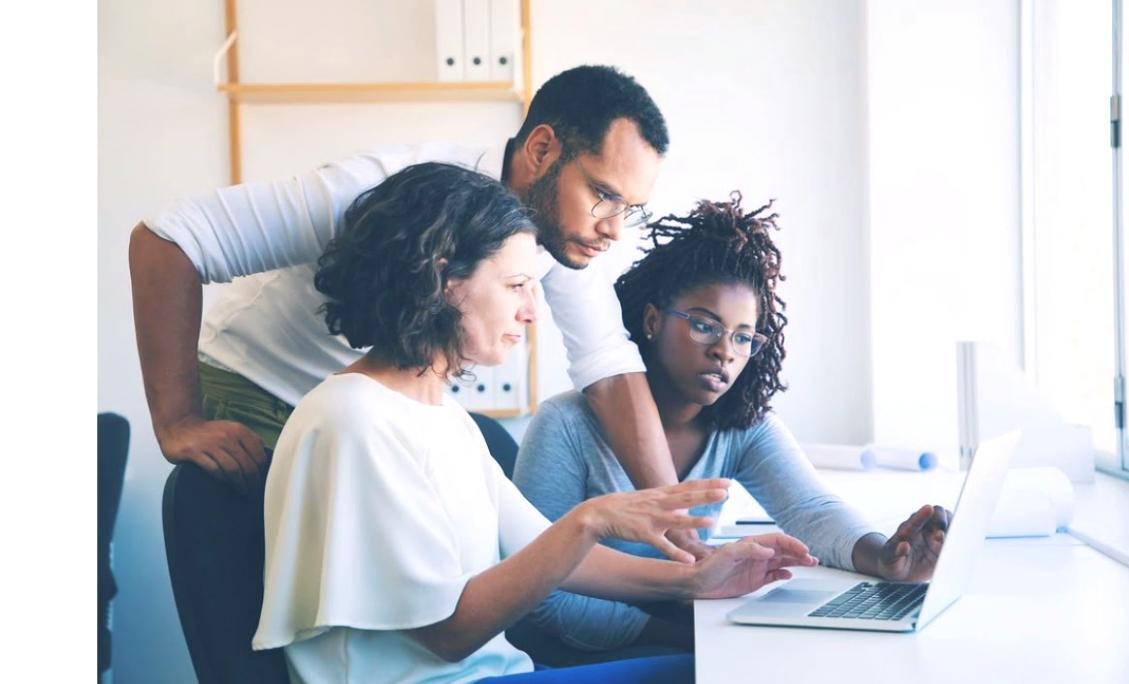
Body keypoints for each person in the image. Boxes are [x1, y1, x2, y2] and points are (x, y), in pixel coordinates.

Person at [252, 162, 817, 683]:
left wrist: (697, 579)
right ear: (445, 280)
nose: (531, 309)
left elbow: (547, 552)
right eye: (516, 285)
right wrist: (589, 520)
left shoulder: (442, 415)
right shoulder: (355, 421)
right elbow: (449, 635)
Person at [129, 65, 708, 557]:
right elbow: (169, 239)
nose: (613, 228)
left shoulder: (563, 234)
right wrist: (177, 419)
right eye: (604, 194)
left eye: (628, 208)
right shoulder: (380, 190)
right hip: (255, 390)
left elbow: (608, 365)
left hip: (368, 417)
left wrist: (679, 529)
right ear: (541, 150)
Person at [511, 194, 953, 659]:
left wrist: (885, 557)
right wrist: (694, 637)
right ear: (651, 320)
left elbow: (811, 511)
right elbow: (542, 596)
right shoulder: (565, 425)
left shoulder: (741, 426)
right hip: (589, 654)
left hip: (684, 638)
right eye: (704, 326)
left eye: (743, 337)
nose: (725, 351)